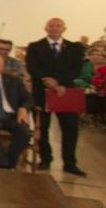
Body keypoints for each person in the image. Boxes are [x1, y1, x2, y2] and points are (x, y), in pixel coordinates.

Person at [26, 17, 87, 176]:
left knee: (71, 128)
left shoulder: (74, 48)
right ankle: (45, 158)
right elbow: (32, 67)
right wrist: (48, 81)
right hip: (42, 91)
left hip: (65, 92)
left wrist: (59, 82)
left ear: (64, 29)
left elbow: (77, 69)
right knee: (43, 127)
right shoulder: (35, 46)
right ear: (45, 28)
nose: (54, 28)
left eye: (58, 26)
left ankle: (70, 163)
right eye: (51, 26)